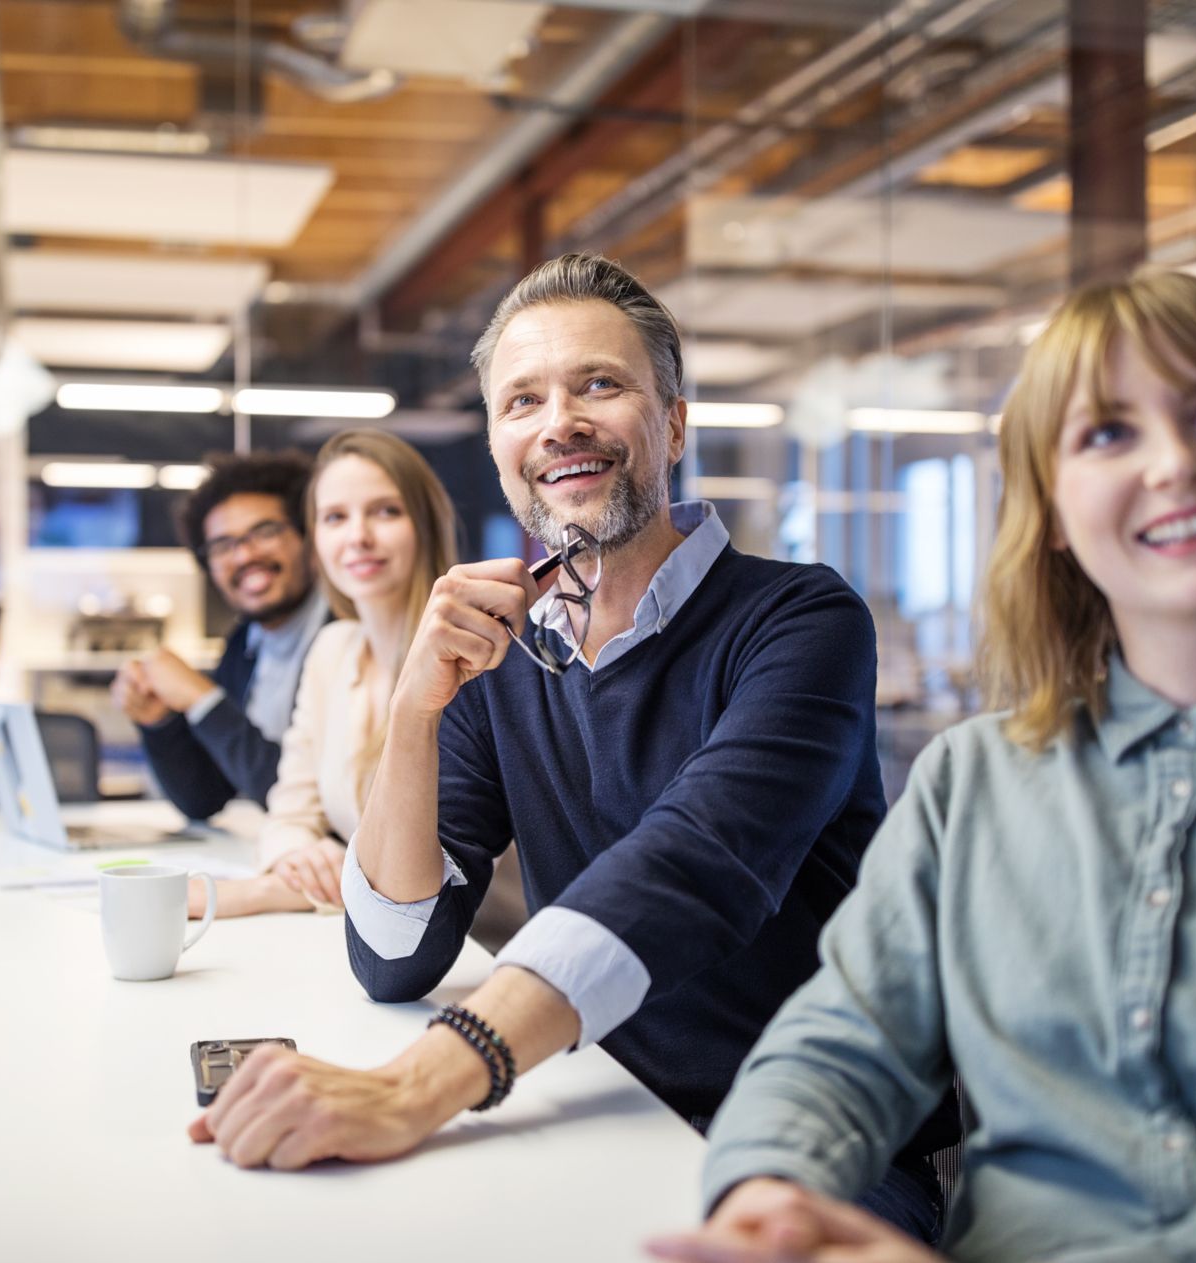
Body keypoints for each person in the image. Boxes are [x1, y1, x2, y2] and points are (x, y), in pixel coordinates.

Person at [649, 271, 1196, 1263]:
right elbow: (844, 1042)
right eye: (1107, 433)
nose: (1176, 464)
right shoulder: (971, 782)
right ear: (1056, 512)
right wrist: (769, 1194)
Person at [188, 253, 950, 1242]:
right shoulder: (499, 652)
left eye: (601, 384)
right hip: (598, 1103)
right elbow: (393, 955)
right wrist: (416, 712)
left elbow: (694, 865)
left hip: (809, 1140)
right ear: (503, 449)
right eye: (523, 402)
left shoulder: (798, 618)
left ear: (673, 421)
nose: (561, 423)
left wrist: (421, 1084)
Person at [193, 429, 460, 918]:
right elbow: (290, 811)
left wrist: (262, 892)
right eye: (335, 517)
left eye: (386, 511)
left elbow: (435, 870)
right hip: (375, 941)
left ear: (426, 524)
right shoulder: (333, 651)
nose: (358, 536)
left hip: (478, 951)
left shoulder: (470, 657)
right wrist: (294, 854)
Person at [114, 451, 332, 819]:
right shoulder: (245, 645)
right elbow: (206, 797)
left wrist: (203, 700)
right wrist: (161, 722)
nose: (244, 555)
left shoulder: (345, 634)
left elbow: (308, 796)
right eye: (222, 546)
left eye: (264, 532)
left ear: (308, 538)